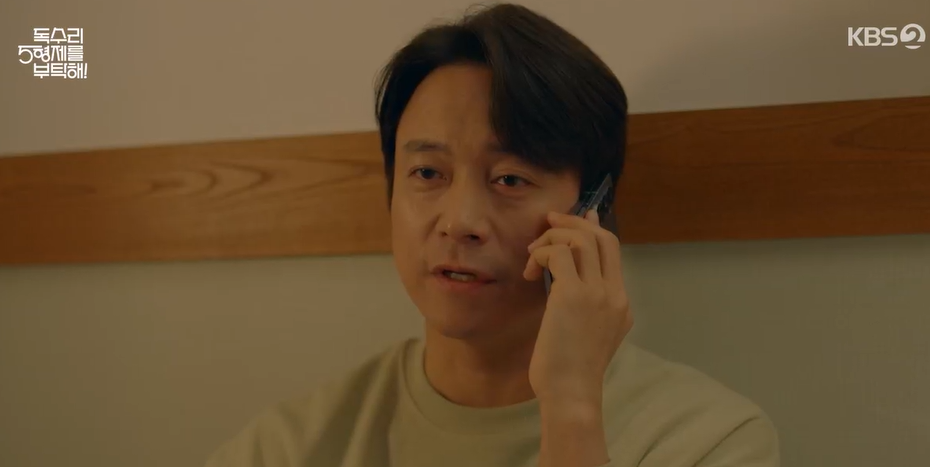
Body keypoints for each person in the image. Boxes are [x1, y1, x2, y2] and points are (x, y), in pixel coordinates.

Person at [204, 3, 780, 467]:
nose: (459, 222)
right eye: (427, 173)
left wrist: (572, 409)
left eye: (509, 179)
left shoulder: (707, 441)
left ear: (592, 212)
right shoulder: (285, 448)